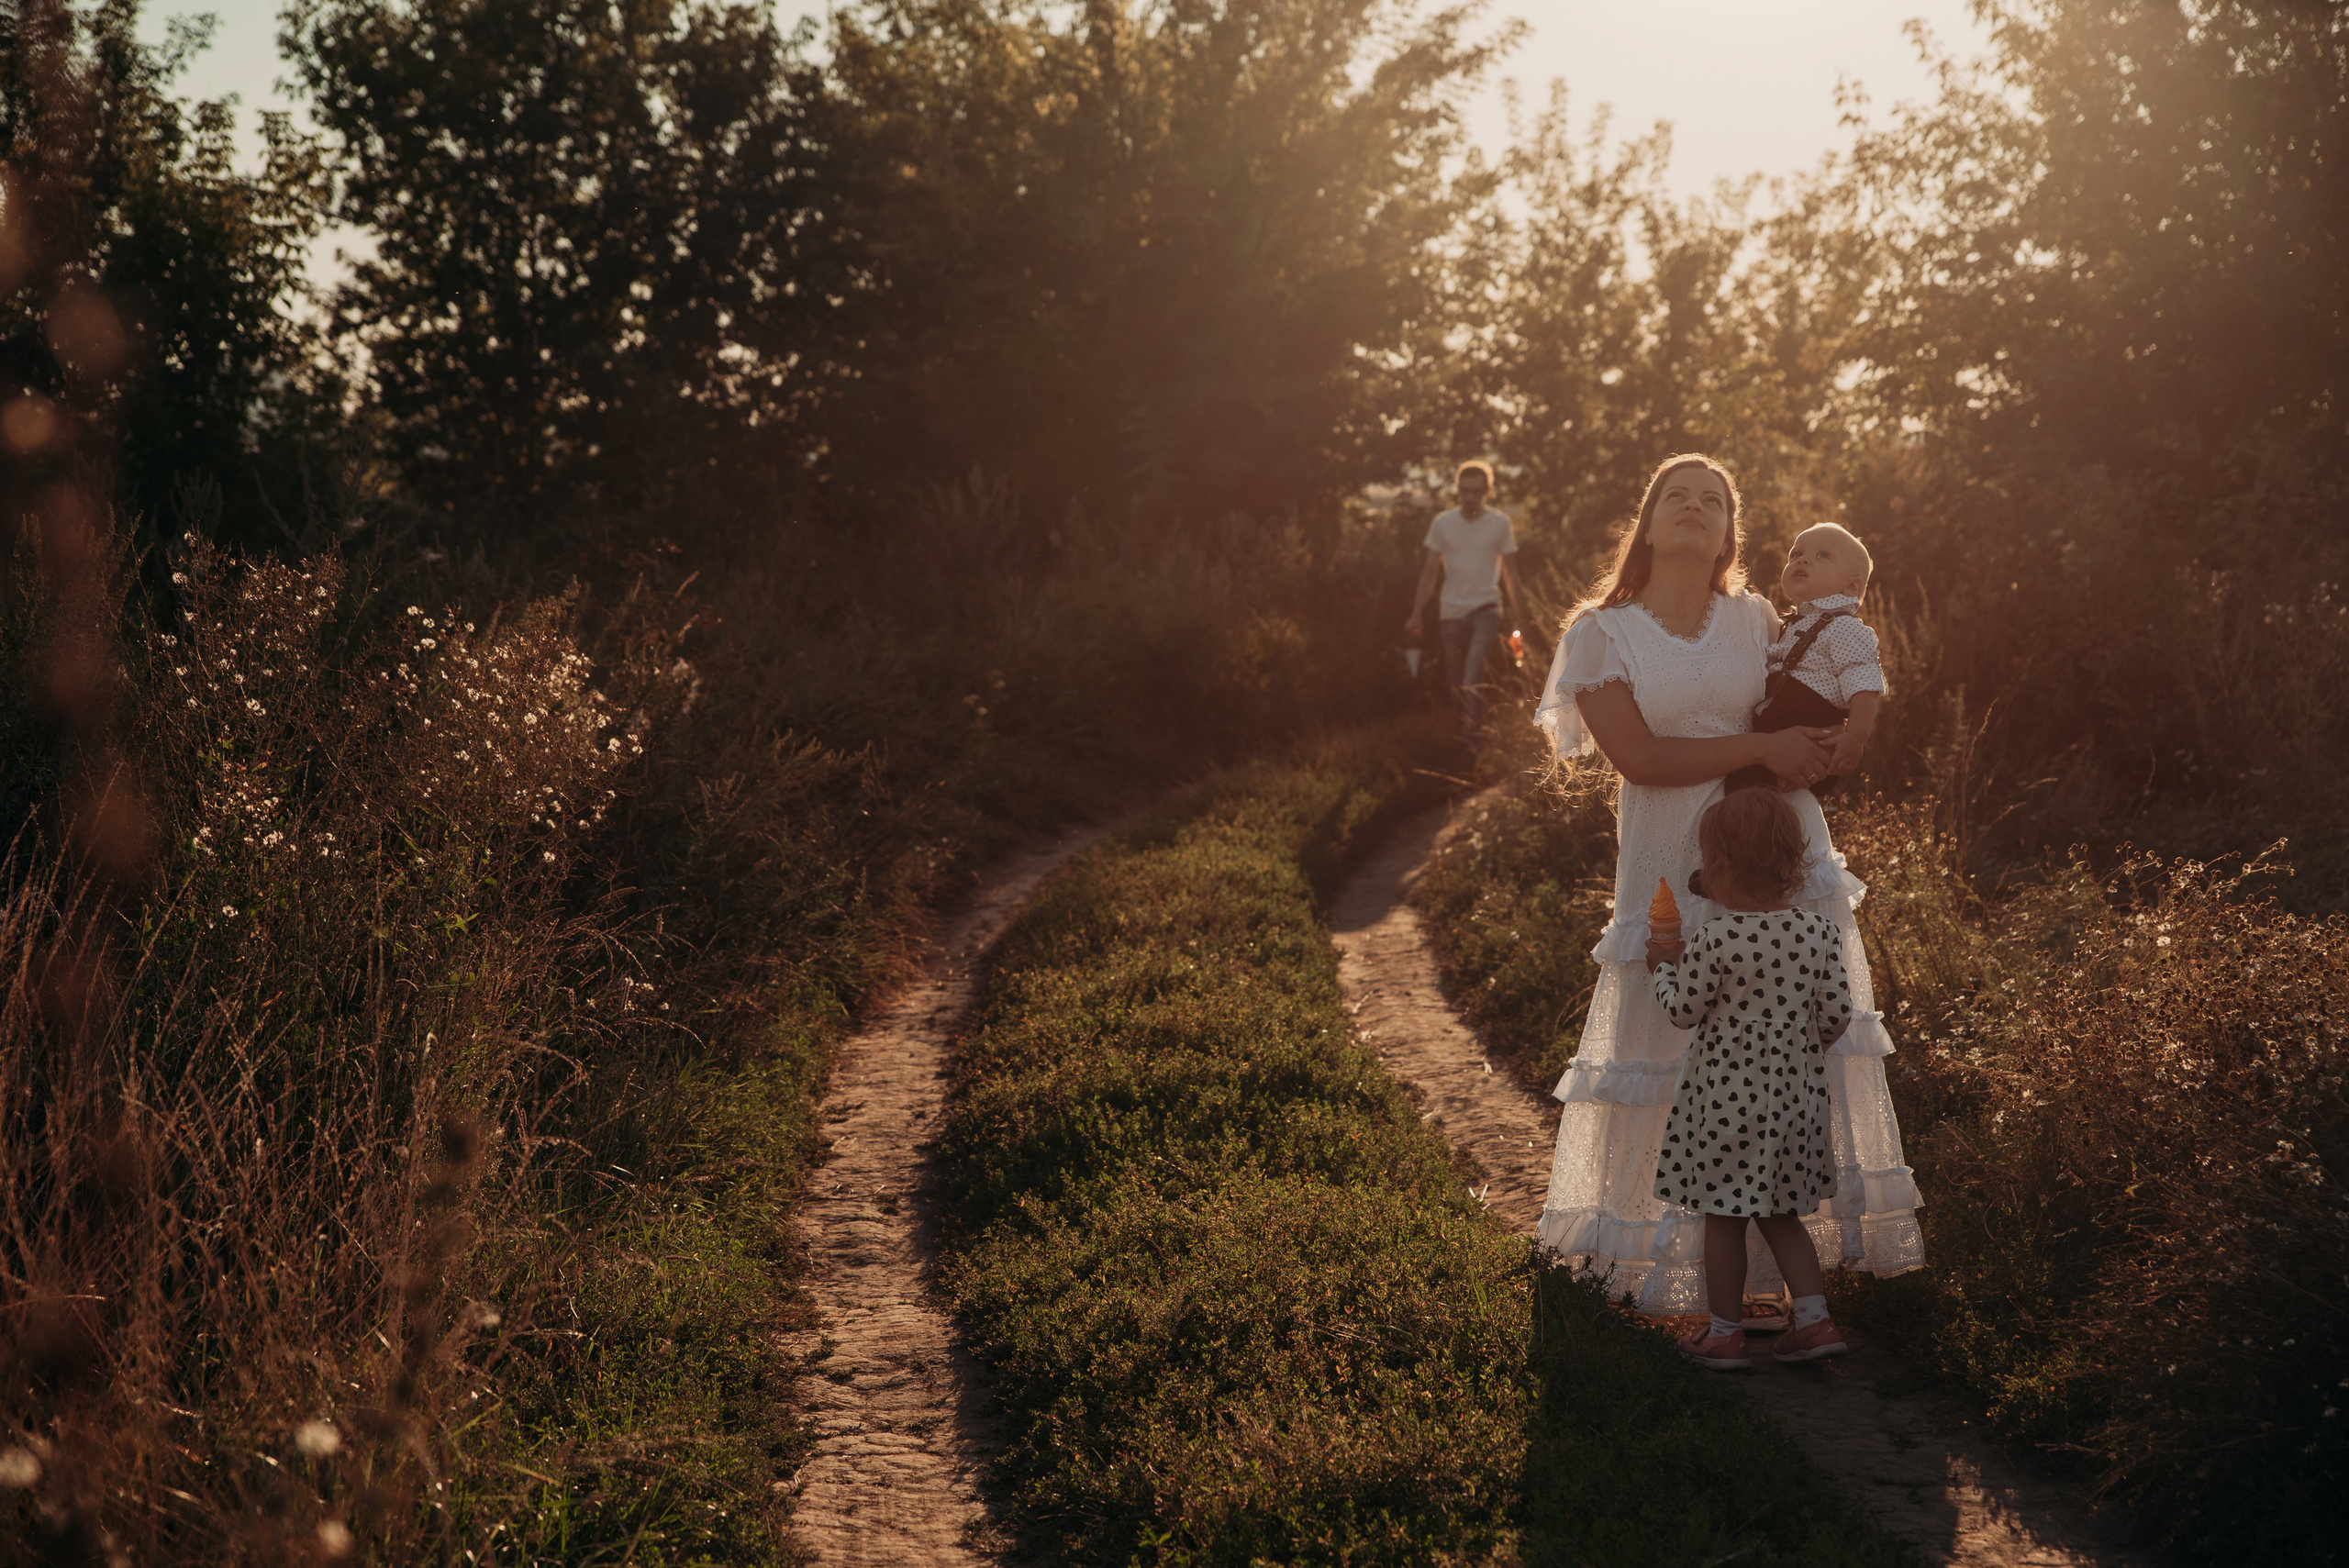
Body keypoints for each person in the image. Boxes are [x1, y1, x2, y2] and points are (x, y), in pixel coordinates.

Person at [1530, 452, 1922, 1315]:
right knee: (1676, 1024)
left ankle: (1784, 1272)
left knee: (1778, 1040)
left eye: (1714, 499)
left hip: (1780, 854)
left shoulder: (1758, 619)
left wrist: (1827, 748)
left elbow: (1826, 707)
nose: (1695, 507)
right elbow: (1638, 757)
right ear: (1648, 519)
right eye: (1677, 494)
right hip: (1671, 853)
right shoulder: (1602, 632)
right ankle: (1659, 1265)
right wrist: (1756, 748)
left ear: (1729, 533)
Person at [1644, 789, 1854, 1369]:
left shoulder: (1714, 939)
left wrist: (1663, 969)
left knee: (1724, 1216)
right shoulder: (1817, 934)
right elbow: (1836, 1015)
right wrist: (1796, 1054)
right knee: (1782, 1213)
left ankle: (1724, 1332)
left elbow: (1684, 1011)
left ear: (1720, 869)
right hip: (1796, 1100)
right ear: (1792, 864)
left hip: (1724, 1104)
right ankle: (1814, 1323)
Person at [1724, 522, 1885, 796]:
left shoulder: (1845, 627)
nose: (1803, 559)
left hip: (1812, 721)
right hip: (1779, 723)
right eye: (1795, 554)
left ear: (1851, 586)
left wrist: (1856, 736)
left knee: (1751, 793)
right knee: (1744, 785)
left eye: (1823, 555)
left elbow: (1863, 680)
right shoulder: (1793, 623)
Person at [1404, 462, 1522, 750]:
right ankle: (1461, 732)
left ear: (1487, 490)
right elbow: (1430, 571)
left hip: (1486, 607)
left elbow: (1511, 573)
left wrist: (1520, 617)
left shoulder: (1499, 523)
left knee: (1472, 674)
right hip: (1451, 611)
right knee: (1455, 681)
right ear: (1457, 489)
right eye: (1464, 490)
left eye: (1476, 491)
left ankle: (1472, 741)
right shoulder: (1442, 523)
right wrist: (1416, 613)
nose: (1469, 497)